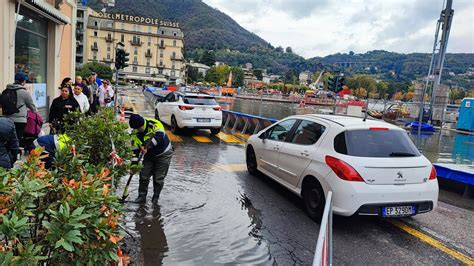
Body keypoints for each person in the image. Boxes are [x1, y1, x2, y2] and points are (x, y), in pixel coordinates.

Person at [129, 114, 173, 204]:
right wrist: (133, 165)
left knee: (158, 178)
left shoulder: (154, 124)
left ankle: (155, 199)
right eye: (134, 129)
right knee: (144, 175)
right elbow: (135, 151)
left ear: (141, 125)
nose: (136, 130)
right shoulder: (135, 133)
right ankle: (141, 197)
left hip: (163, 153)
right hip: (149, 155)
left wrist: (146, 146)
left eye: (137, 128)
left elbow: (160, 136)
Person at [2, 72, 38, 147]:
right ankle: (16, 155)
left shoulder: (5, 91)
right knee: (17, 139)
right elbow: (33, 108)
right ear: (23, 81)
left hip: (6, 120)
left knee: (6, 139)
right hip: (19, 121)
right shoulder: (24, 93)